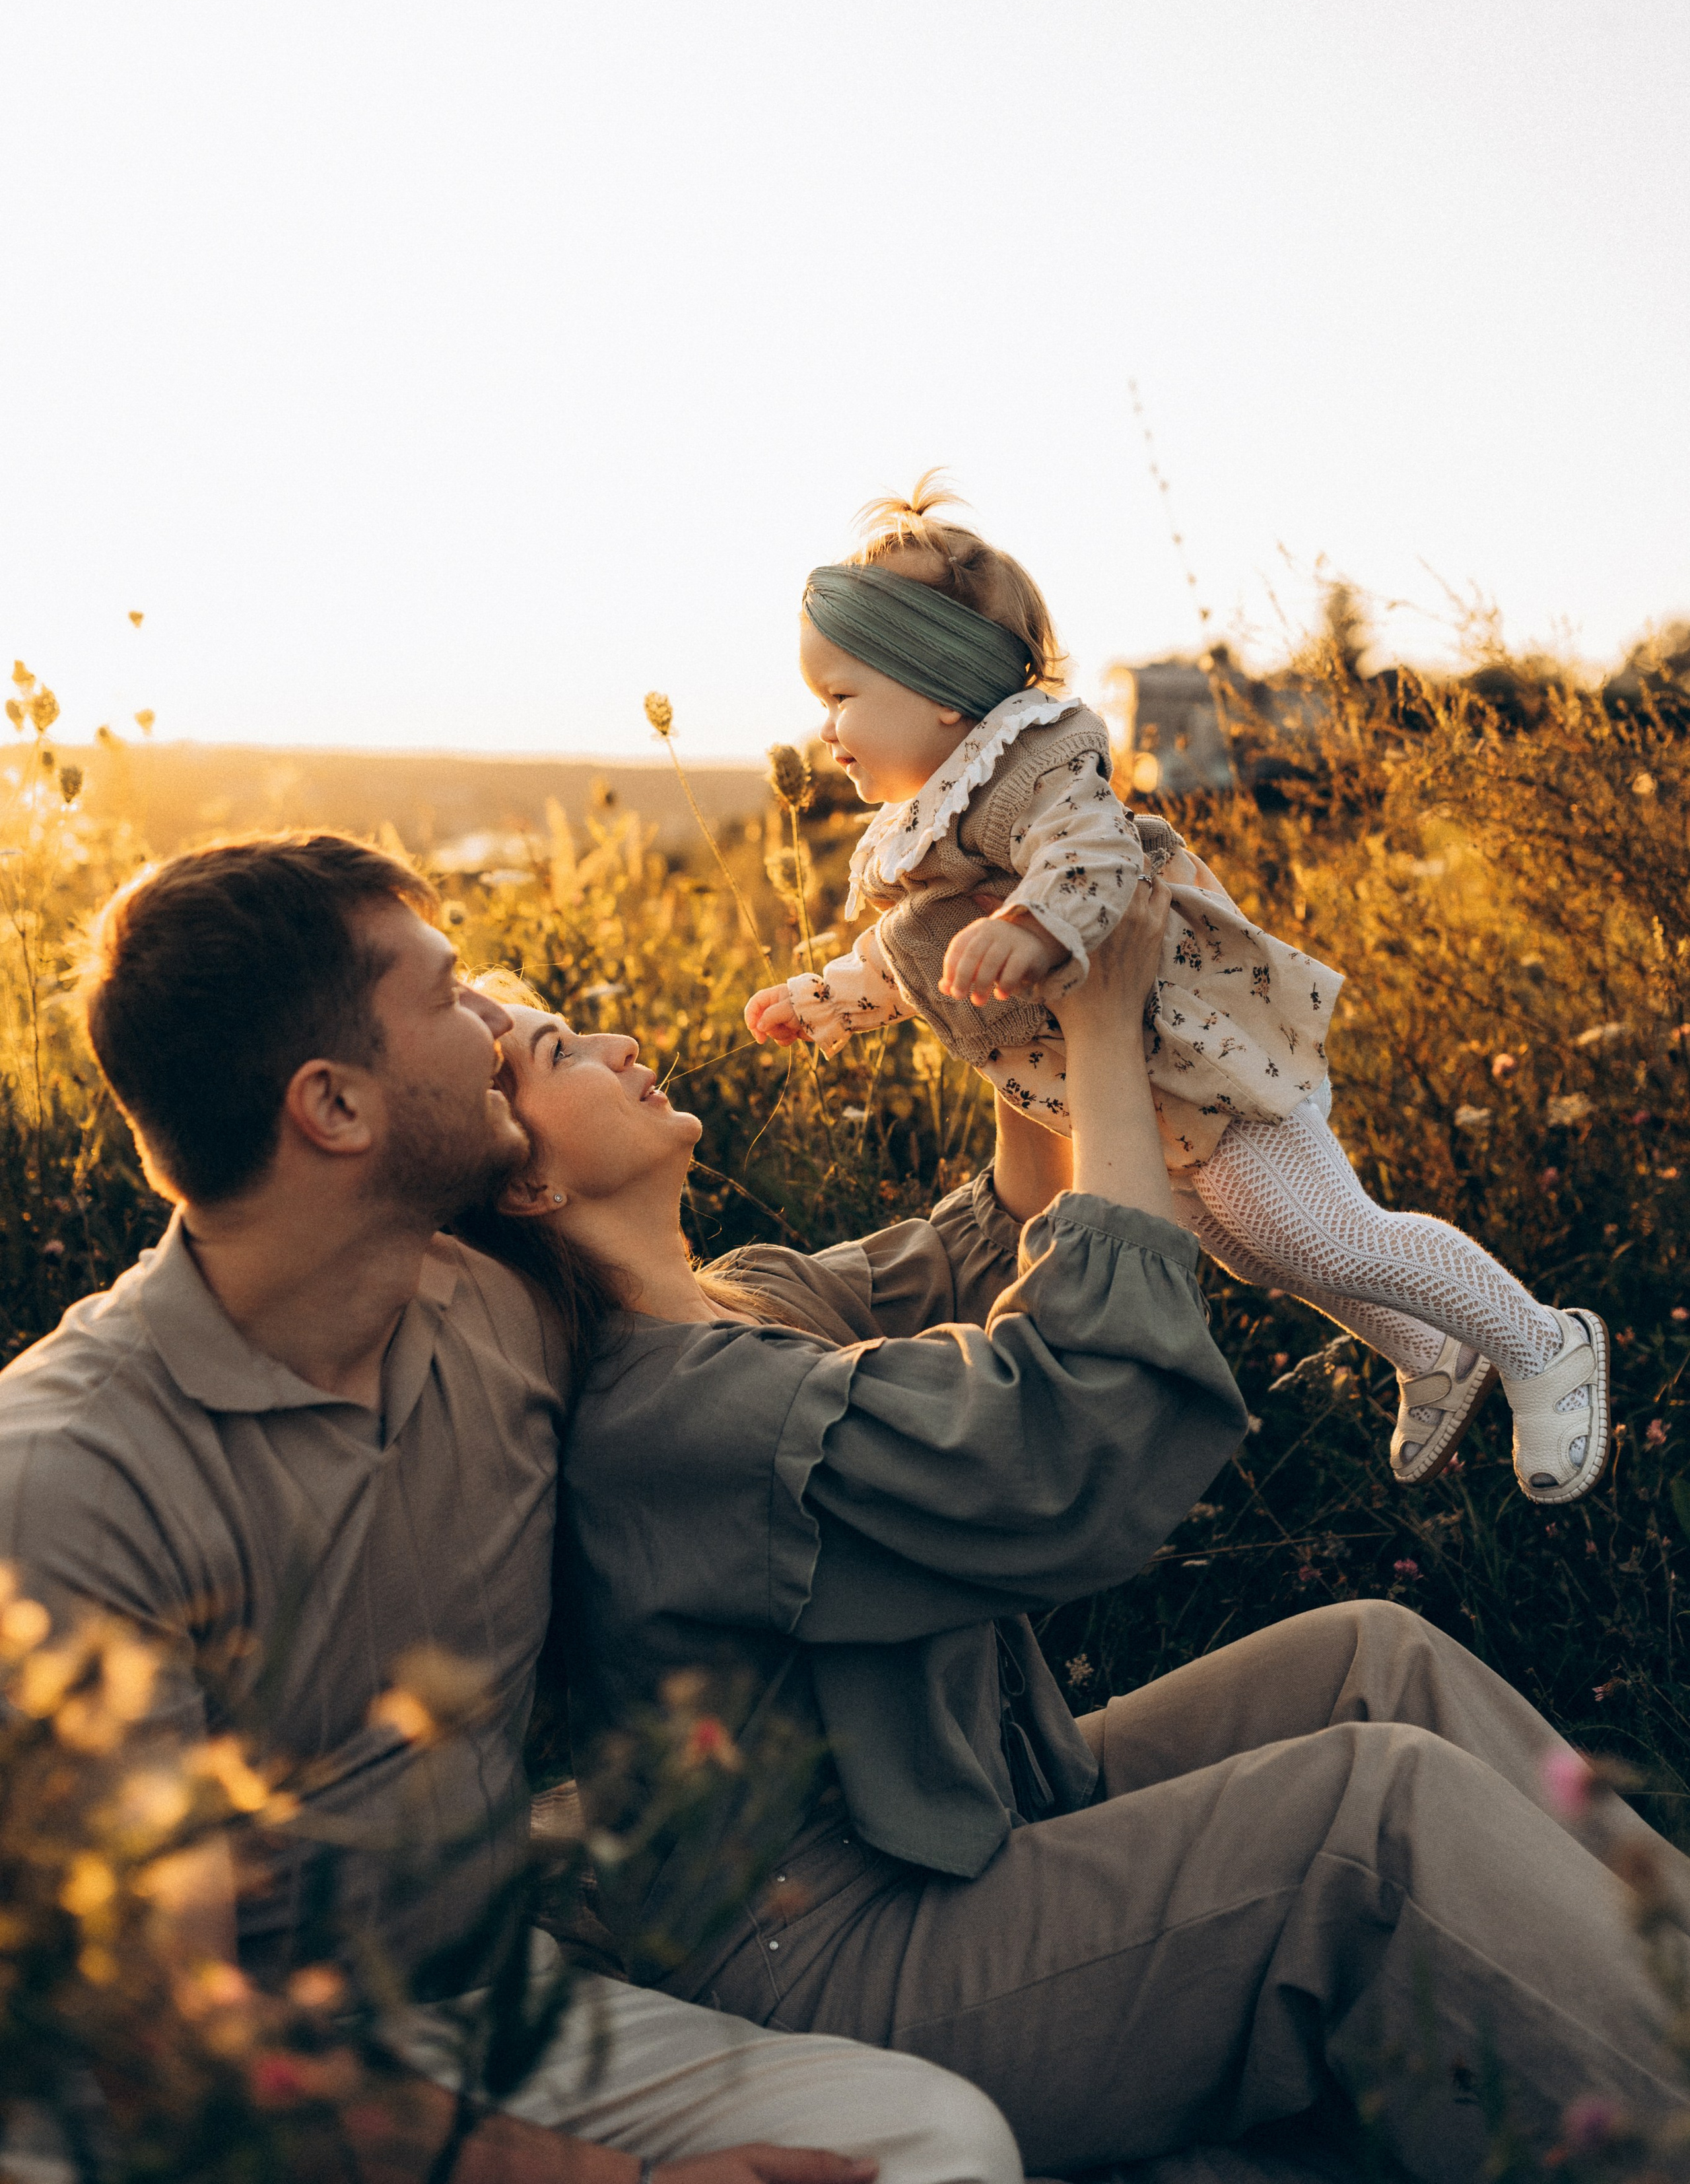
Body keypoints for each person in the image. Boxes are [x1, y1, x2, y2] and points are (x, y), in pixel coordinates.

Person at [465, 887, 1690, 2183]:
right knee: (1366, 1819)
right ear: (530, 1179)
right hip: (828, 1951)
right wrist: (1103, 1033)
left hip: (958, 1822)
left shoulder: (739, 1294)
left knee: (1374, 1659)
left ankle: (1658, 1975)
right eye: (561, 1052)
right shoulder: (669, 1420)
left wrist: (1017, 1016)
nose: (616, 1047)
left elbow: (1000, 1220)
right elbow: (1075, 1433)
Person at [0, 834, 1021, 2184]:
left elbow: (774, 1323)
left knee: (929, 2144)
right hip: (192, 2108)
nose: (492, 1026)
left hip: (484, 2000)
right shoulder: (67, 1481)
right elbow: (162, 2047)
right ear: (336, 1107)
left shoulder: (502, 1309)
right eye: (445, 999)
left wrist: (1031, 1048)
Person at [741, 478, 1605, 1507]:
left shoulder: (1032, 767)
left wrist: (1030, 924)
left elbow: (1093, 854)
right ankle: (1433, 1353)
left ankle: (1543, 1344)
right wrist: (829, 1001)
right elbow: (916, 956)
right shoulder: (926, 833)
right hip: (1142, 1096)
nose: (825, 731)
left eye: (839, 697)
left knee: (1324, 1230)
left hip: (1203, 1052)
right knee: (1259, 1251)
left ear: (938, 687)